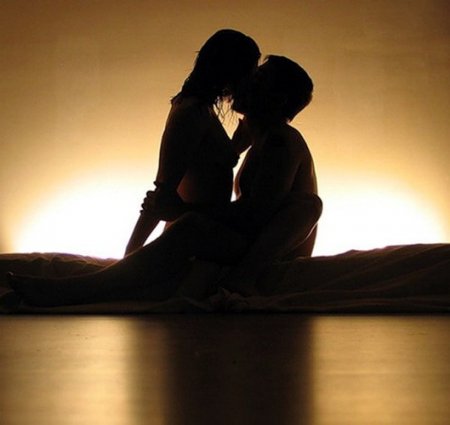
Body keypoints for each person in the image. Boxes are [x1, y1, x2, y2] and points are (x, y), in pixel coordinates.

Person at [8, 55, 322, 306]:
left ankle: (73, 290)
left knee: (301, 206)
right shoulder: (261, 138)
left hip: (271, 250)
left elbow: (256, 214)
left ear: (278, 100)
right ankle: (87, 283)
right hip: (249, 240)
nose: (246, 83)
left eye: (258, 80)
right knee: (189, 227)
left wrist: (183, 211)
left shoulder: (280, 142)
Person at [125, 29, 261, 255]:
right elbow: (161, 194)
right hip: (190, 240)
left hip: (199, 236)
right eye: (250, 70)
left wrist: (234, 149)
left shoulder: (202, 110)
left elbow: (204, 168)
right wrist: (130, 256)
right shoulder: (191, 111)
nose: (253, 79)